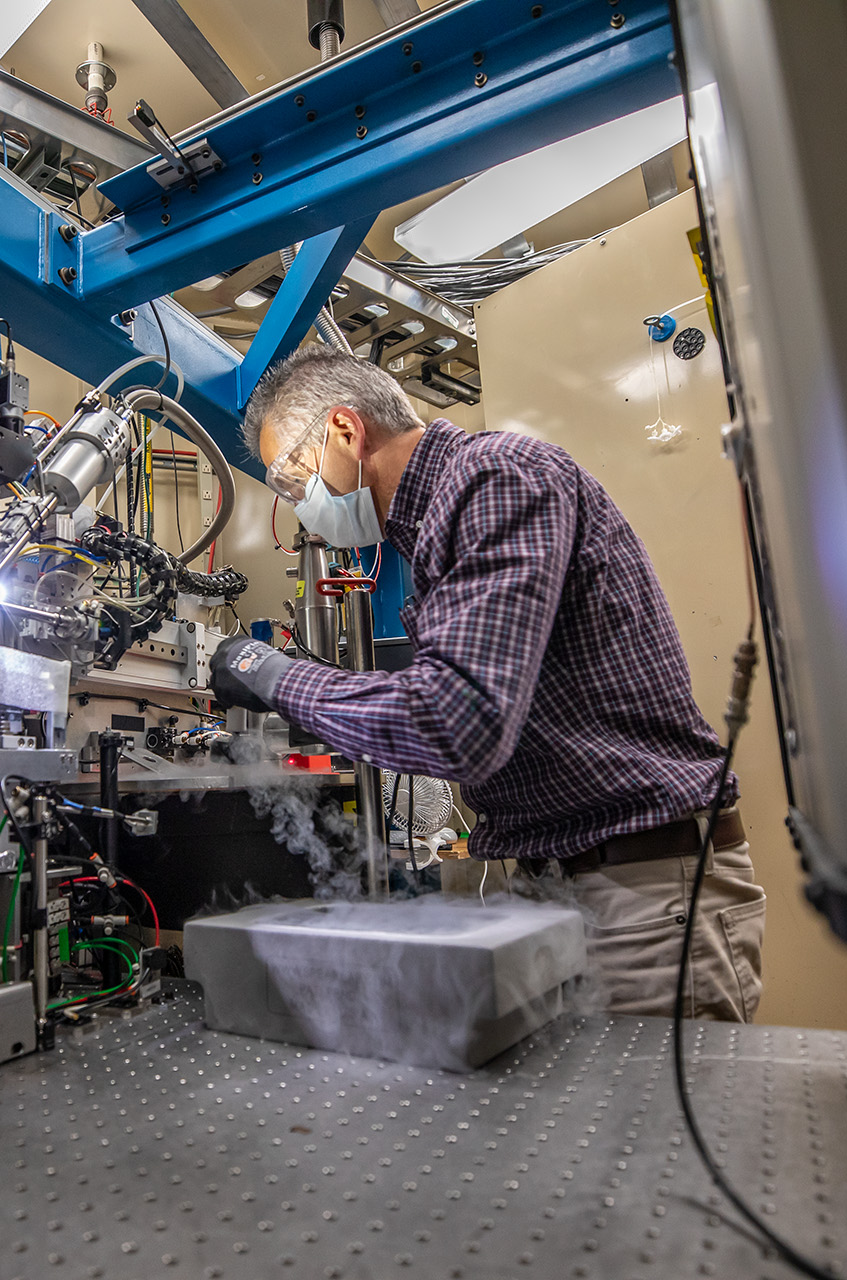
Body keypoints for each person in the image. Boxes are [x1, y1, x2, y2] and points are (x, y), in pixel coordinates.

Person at [209, 347, 765, 1022]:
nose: (299, 506)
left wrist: (271, 675)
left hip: (640, 890)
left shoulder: (495, 477)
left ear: (346, 432)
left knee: (657, 1124)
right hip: (565, 883)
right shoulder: (438, 524)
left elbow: (454, 721)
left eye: (293, 478)